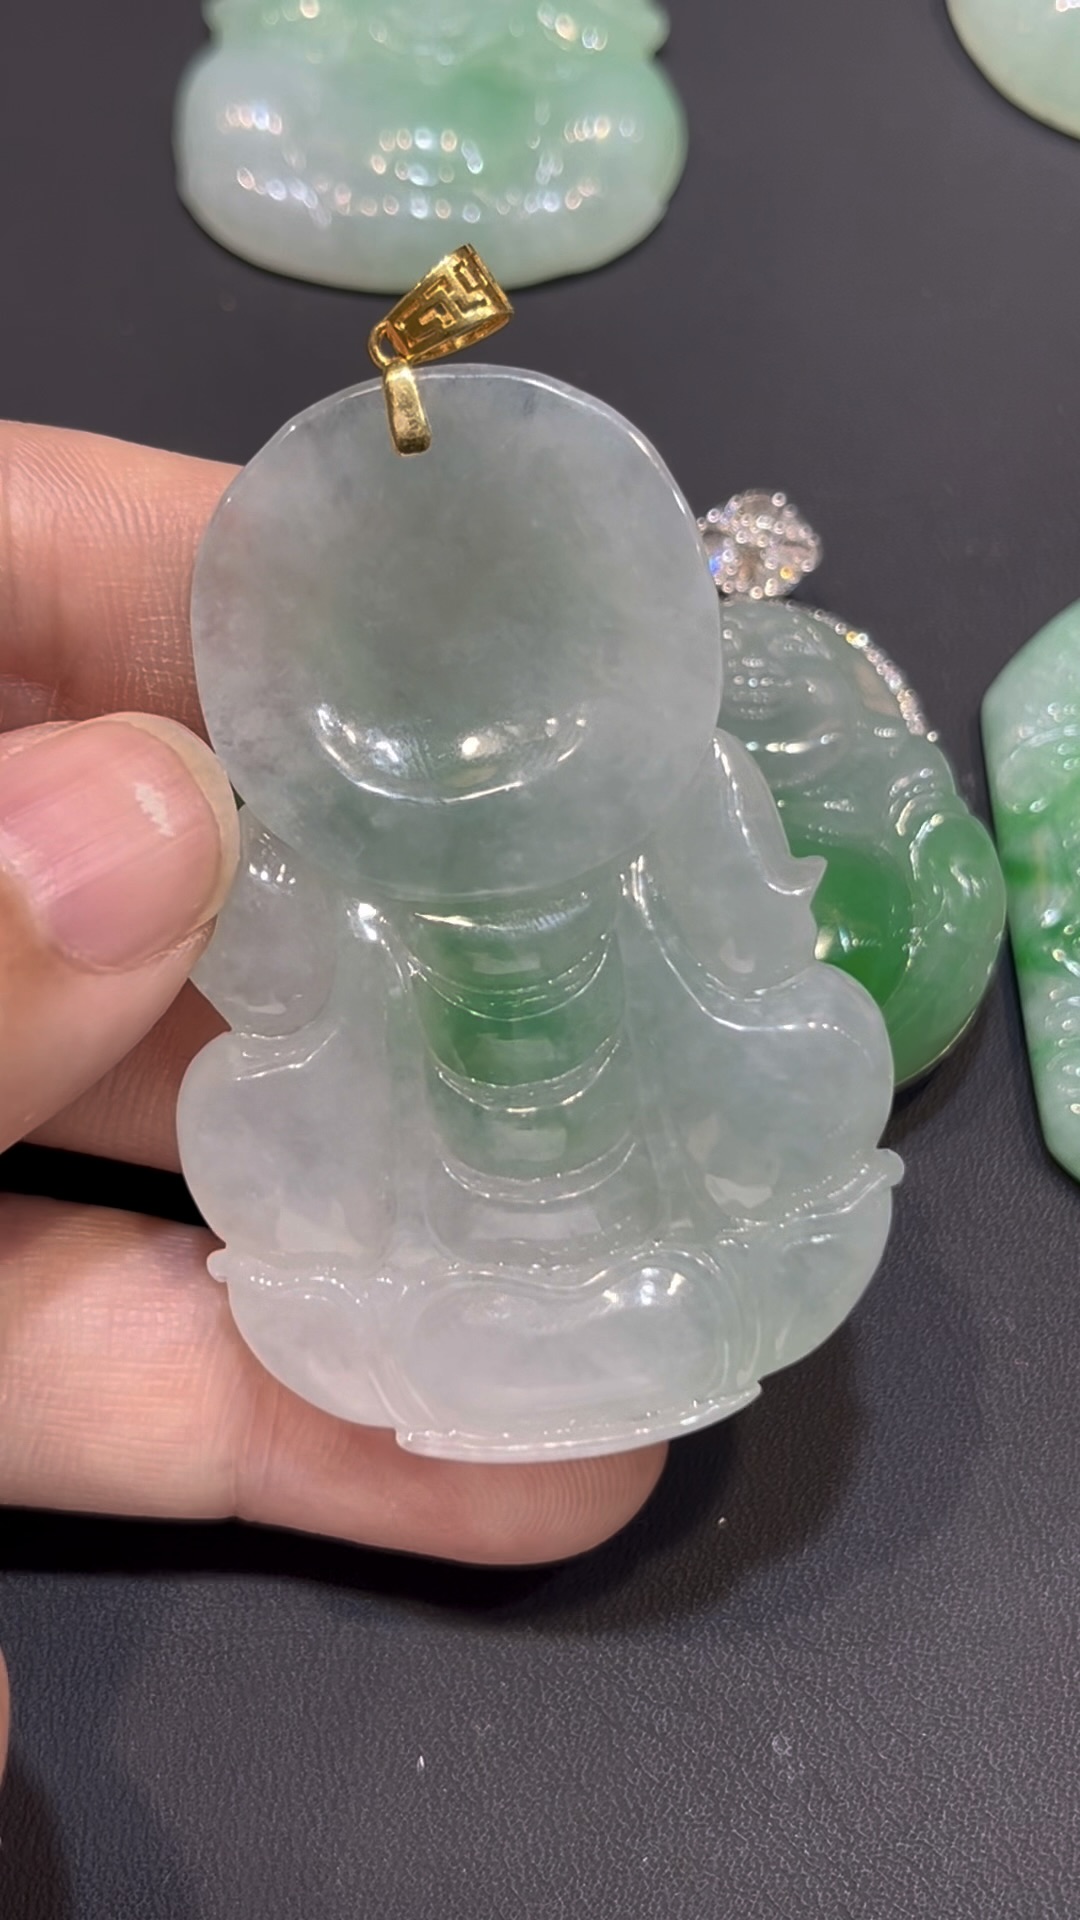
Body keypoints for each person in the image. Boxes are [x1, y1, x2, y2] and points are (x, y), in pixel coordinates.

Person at [0, 422, 665, 1763]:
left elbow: (747, 984)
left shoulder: (659, 799)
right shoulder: (321, 839)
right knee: (249, 1117)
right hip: (425, 1224)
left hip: (646, 1203)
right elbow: (277, 995)